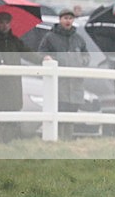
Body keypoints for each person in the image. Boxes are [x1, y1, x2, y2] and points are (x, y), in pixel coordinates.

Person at [0, 11, 43, 142]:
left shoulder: (14, 41)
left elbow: (28, 53)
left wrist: (43, 59)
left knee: (12, 117)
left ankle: (8, 143)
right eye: (1, 22)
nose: (4, 25)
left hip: (12, 87)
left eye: (7, 22)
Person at [38, 8, 90, 140]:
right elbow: (41, 53)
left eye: (70, 18)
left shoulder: (78, 39)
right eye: (65, 18)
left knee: (71, 113)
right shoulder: (50, 37)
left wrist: (81, 61)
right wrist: (49, 60)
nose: (68, 21)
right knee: (59, 112)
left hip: (76, 84)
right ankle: (57, 139)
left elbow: (86, 55)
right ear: (60, 19)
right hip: (59, 84)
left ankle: (68, 140)